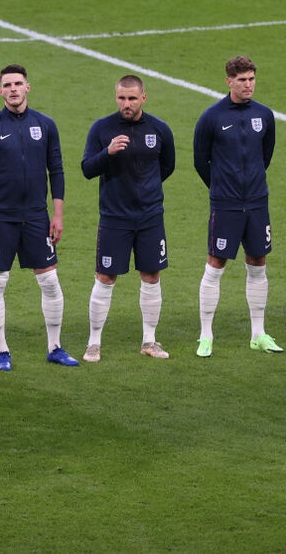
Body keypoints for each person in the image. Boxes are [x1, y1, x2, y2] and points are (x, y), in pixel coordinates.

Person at [0, 64, 77, 371]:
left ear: (27, 87)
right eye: (8, 85)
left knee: (50, 281)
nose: (13, 89)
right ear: (0, 91)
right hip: (1, 219)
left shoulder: (45, 125)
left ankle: (55, 347)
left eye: (18, 83)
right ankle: (1, 351)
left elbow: (56, 170)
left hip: (36, 217)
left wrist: (57, 215)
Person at [81, 75, 175, 362]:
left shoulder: (159, 129)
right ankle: (93, 343)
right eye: (122, 98)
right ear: (116, 97)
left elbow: (167, 167)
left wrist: (146, 190)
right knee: (105, 277)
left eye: (132, 98)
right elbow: (87, 169)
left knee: (151, 276)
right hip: (114, 218)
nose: (127, 104)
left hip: (150, 218)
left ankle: (149, 340)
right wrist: (107, 153)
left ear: (143, 98)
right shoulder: (102, 128)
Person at [193, 56, 281, 357]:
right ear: (228, 81)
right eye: (242, 80)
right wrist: (221, 187)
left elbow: (265, 156)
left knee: (258, 263)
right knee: (215, 265)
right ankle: (206, 336)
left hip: (257, 203)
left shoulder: (264, 115)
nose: (248, 85)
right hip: (226, 205)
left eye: (252, 79)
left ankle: (258, 334)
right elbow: (200, 161)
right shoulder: (211, 117)